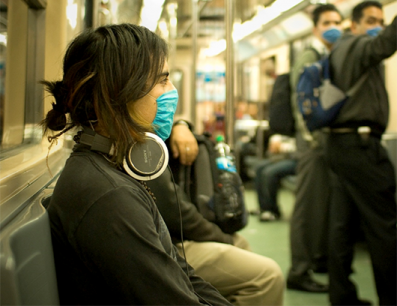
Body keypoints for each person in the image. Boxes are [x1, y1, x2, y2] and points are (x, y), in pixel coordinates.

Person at [42, 24, 233, 305]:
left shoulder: (111, 166)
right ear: (119, 92)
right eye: (162, 80)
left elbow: (182, 275)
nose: (172, 91)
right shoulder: (109, 196)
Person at [146, 121, 285, 306]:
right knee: (267, 277)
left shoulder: (149, 136)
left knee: (239, 244)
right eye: (160, 89)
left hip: (169, 236)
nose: (170, 92)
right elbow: (177, 211)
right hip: (165, 244)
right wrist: (221, 237)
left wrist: (181, 124)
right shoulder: (142, 149)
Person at [326, 2, 397, 305]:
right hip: (361, 147)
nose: (376, 26)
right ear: (353, 24)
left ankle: (342, 296)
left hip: (341, 146)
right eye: (370, 20)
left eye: (381, 21)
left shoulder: (339, 48)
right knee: (385, 227)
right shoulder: (357, 45)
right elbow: (385, 43)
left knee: (343, 222)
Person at [286, 3, 343, 293]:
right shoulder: (309, 56)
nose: (333, 27)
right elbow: (302, 101)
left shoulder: (329, 56)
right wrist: (310, 137)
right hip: (312, 142)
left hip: (322, 141)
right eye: (327, 22)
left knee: (322, 205)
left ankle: (317, 260)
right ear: (315, 28)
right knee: (308, 208)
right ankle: (298, 271)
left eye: (337, 21)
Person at [254, 134, 297, 221]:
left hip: (298, 159)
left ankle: (272, 211)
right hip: (286, 156)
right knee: (259, 168)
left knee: (269, 173)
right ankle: (263, 208)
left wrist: (283, 147)